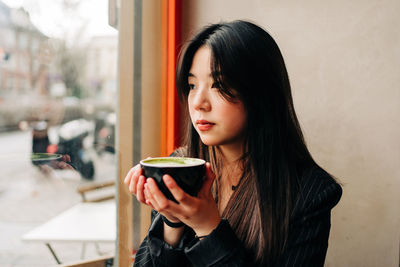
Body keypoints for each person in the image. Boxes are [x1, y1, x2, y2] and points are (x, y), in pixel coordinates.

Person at [124, 20, 342, 266]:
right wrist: (171, 222)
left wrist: (208, 227)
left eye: (219, 85)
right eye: (193, 85)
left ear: (260, 94)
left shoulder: (310, 192)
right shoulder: (181, 168)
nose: (198, 103)